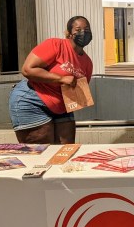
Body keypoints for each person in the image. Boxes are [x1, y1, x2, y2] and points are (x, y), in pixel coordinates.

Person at [8, 16, 93, 144]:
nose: (83, 33)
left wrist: (80, 95)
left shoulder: (87, 63)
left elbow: (78, 93)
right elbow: (27, 69)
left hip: (61, 106)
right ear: (69, 33)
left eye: (87, 29)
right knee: (43, 151)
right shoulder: (55, 45)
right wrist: (61, 78)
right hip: (33, 99)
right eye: (78, 29)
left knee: (66, 149)